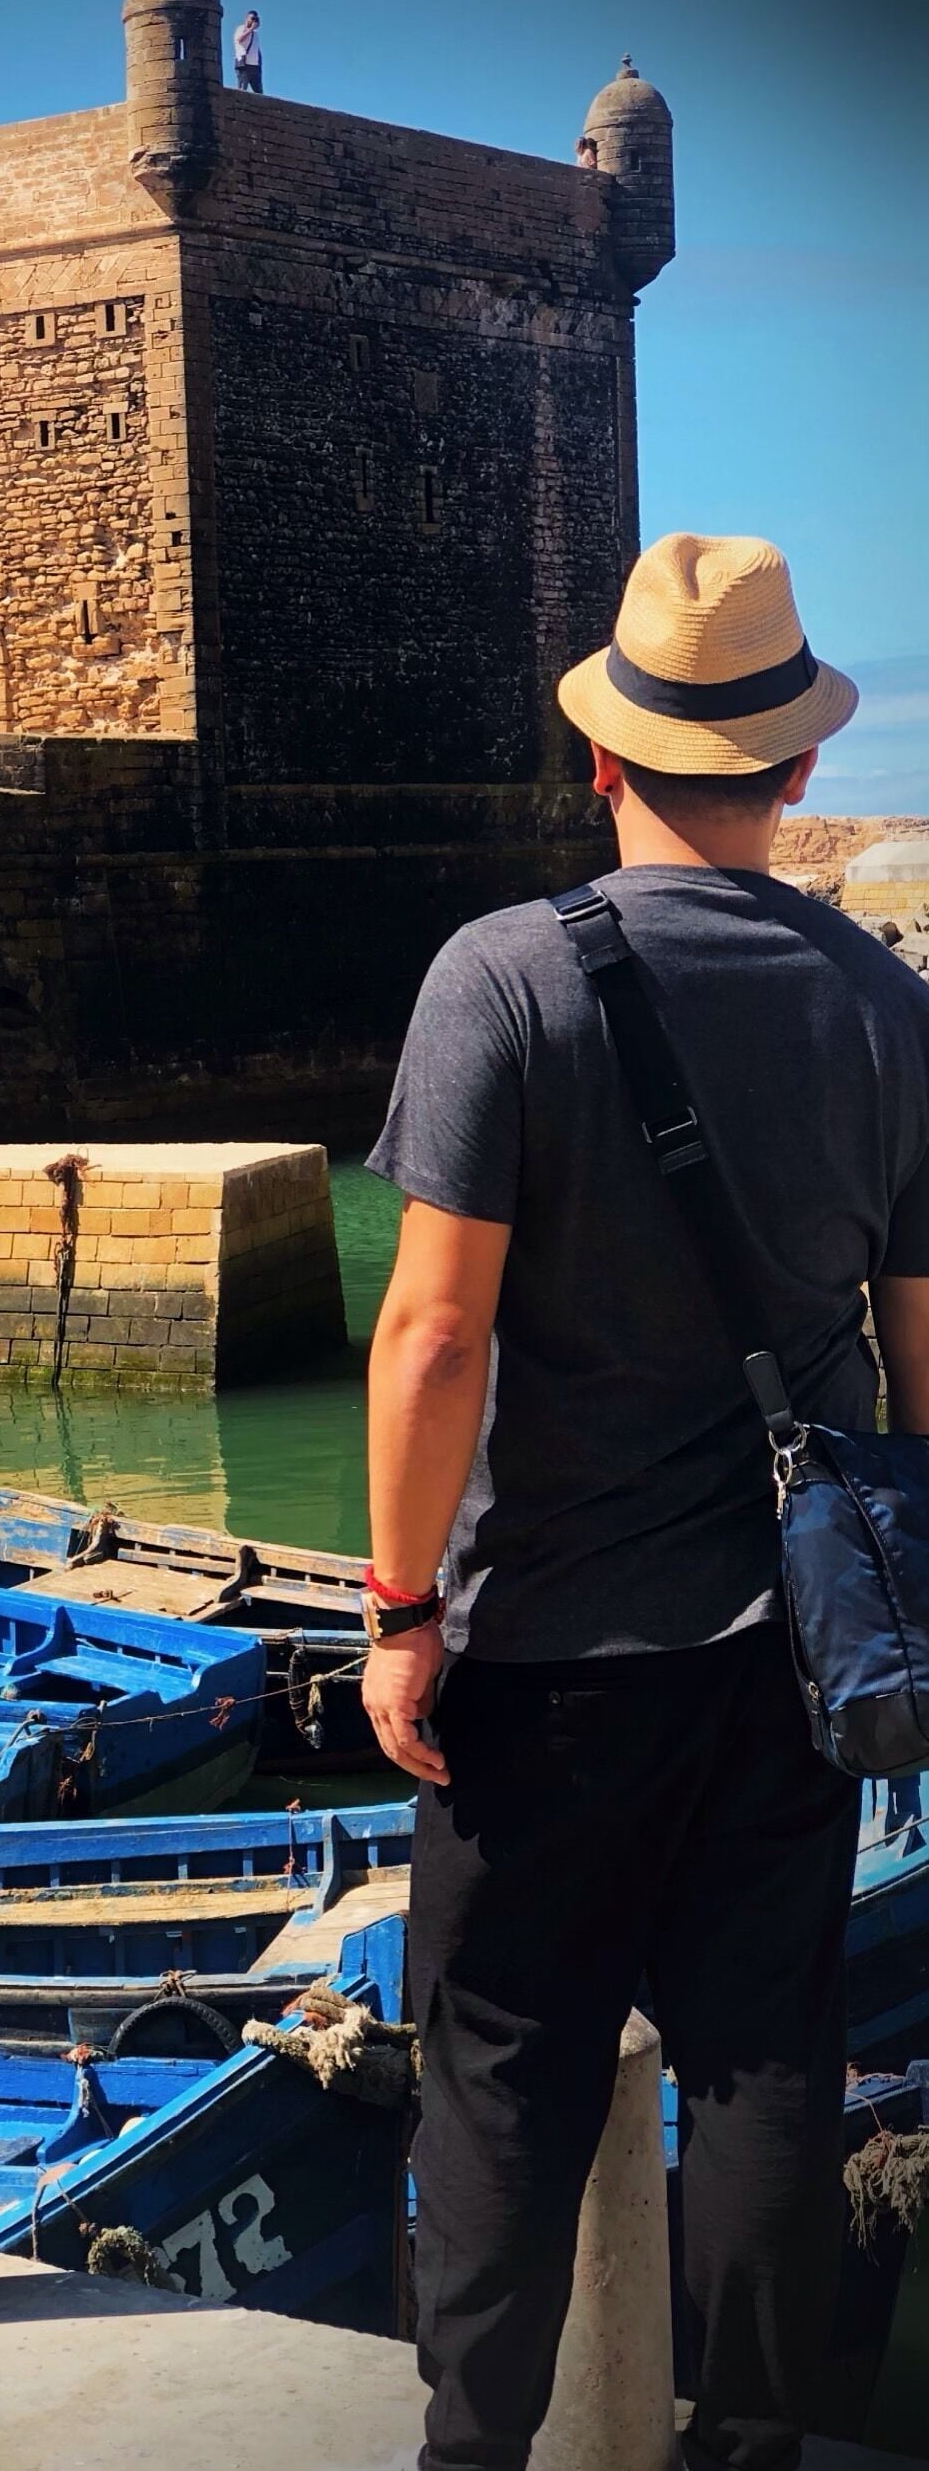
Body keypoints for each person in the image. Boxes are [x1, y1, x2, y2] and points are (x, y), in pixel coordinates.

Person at [361, 530, 929, 2471]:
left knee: (501, 2081)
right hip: (792, 1652)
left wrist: (395, 1611)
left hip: (543, 1655)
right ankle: (757, 2444)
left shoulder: (498, 981)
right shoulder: (887, 1010)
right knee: (768, 2060)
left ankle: (472, 2454)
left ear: (598, 762)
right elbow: (919, 1365)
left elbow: (433, 1342)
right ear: (789, 772)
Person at [234, 10, 262, 92]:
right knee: (242, 89)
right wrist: (251, 29)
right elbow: (240, 39)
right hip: (244, 63)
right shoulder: (241, 28)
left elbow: (256, 49)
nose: (254, 20)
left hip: (255, 65)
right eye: (252, 18)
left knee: (259, 92)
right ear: (247, 19)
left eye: (256, 19)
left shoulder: (255, 34)